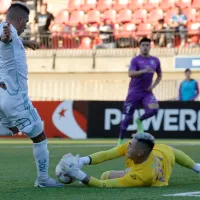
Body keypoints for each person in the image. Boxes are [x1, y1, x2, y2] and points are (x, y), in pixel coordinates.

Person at [0, 2, 63, 187]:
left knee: (11, 129)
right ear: (19, 19)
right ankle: (43, 180)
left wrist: (27, 42)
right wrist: (5, 38)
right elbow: (6, 38)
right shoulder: (7, 31)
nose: (26, 25)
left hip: (3, 93)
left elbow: (10, 41)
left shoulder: (7, 30)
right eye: (26, 22)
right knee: (39, 136)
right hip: (16, 97)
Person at [59, 132, 200, 188]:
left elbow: (103, 185)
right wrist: (82, 161)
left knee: (105, 178)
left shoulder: (143, 176)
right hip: (163, 153)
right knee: (170, 149)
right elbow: (107, 154)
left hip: (154, 173)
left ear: (139, 152)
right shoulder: (147, 149)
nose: (128, 146)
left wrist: (79, 175)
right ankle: (197, 167)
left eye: (131, 145)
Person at [118, 37, 162, 145]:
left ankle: (139, 120)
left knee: (154, 109)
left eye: (147, 45)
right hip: (134, 92)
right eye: (143, 45)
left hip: (147, 92)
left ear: (150, 47)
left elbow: (159, 75)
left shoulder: (155, 60)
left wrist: (153, 86)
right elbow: (130, 73)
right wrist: (143, 71)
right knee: (127, 117)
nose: (145, 47)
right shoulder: (135, 60)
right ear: (140, 47)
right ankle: (120, 140)